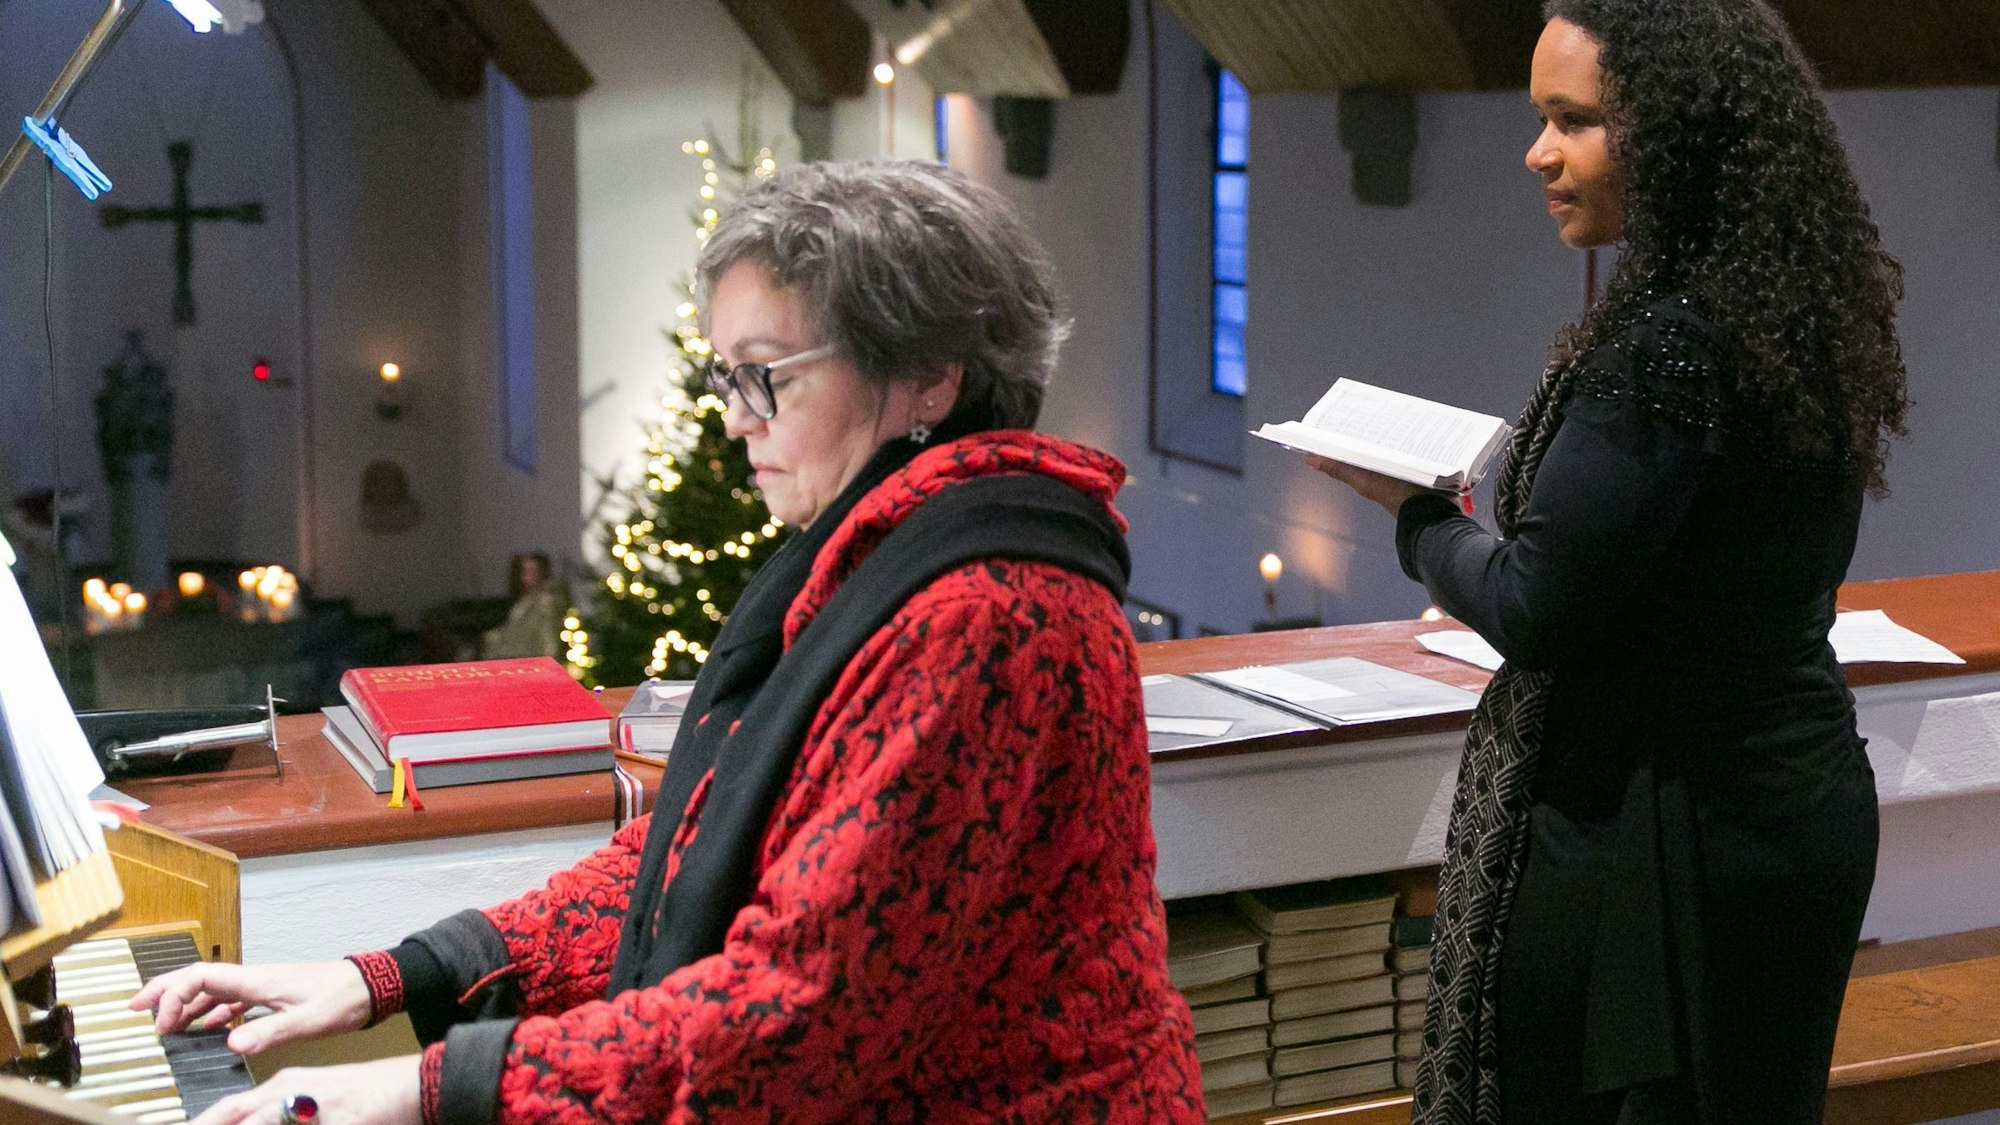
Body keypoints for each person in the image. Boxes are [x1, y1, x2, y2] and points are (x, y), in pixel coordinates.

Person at [133, 161, 1206, 1124]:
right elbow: (691, 853)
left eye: (765, 372)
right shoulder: (882, 554)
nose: (733, 416)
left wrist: (427, 1088)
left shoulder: (986, 616)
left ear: (926, 374)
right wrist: (388, 977)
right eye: (724, 374)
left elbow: (799, 1018)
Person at [1312, 3, 1908, 1122]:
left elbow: (1535, 603)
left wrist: (1410, 515)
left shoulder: (1669, 343)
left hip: (1672, 835)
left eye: (1571, 122)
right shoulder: (1788, 305)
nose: (1538, 152)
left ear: (1676, 131)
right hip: (1784, 797)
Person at [479, 552, 564, 660]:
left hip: (531, 658)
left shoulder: (546, 601)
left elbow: (548, 637)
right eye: (524, 571)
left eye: (532, 571)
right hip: (514, 656)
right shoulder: (525, 599)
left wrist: (548, 661)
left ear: (542, 573)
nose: (526, 576)